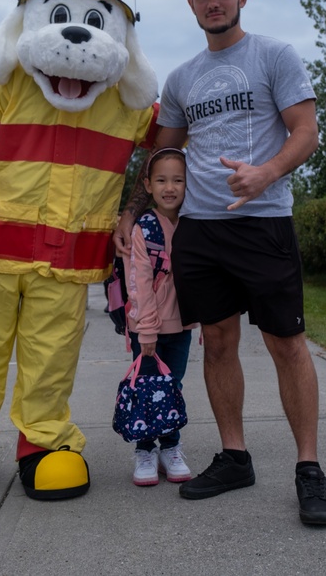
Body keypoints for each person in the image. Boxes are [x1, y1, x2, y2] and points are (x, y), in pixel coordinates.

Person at [113, 0, 326, 525]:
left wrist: (266, 172)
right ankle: (235, 455)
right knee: (217, 343)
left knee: (286, 344)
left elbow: (306, 131)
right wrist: (131, 210)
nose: (213, 1)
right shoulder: (183, 77)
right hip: (201, 233)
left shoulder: (275, 55)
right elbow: (159, 153)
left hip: (262, 225)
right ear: (191, 5)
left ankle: (308, 469)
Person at [123, 147, 196, 486]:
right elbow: (139, 285)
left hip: (180, 326)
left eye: (178, 180)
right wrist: (147, 332)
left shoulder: (193, 223)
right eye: (162, 180)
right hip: (147, 329)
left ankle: (170, 447)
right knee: (147, 387)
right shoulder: (145, 229)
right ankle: (144, 450)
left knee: (172, 387)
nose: (170, 187)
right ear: (149, 186)